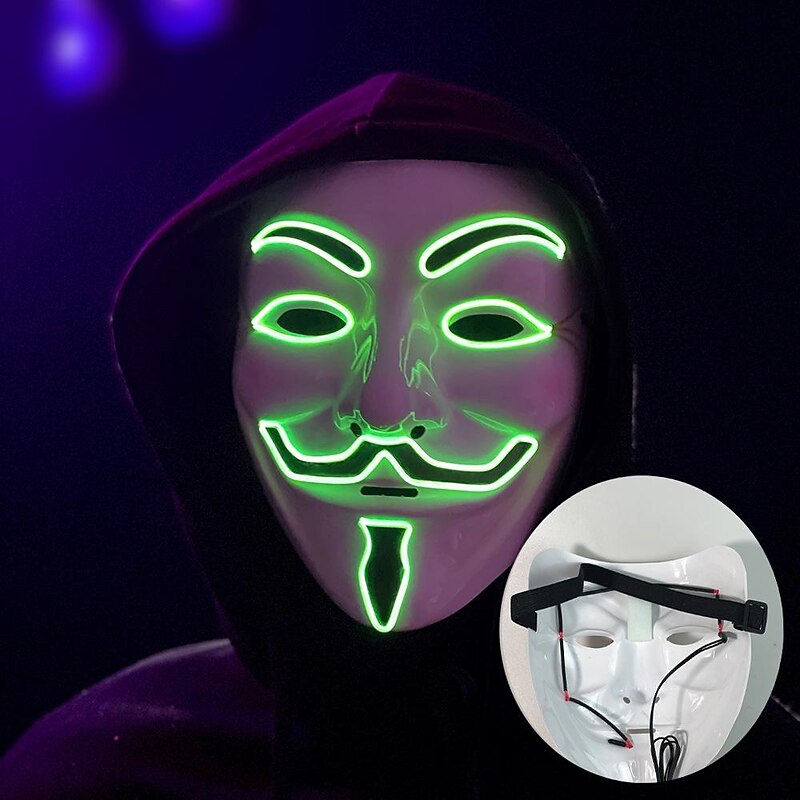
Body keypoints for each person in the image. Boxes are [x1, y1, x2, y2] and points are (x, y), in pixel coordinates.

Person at [0, 72, 632, 798]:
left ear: (601, 366)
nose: (386, 409)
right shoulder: (103, 775)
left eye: (488, 322)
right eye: (307, 317)